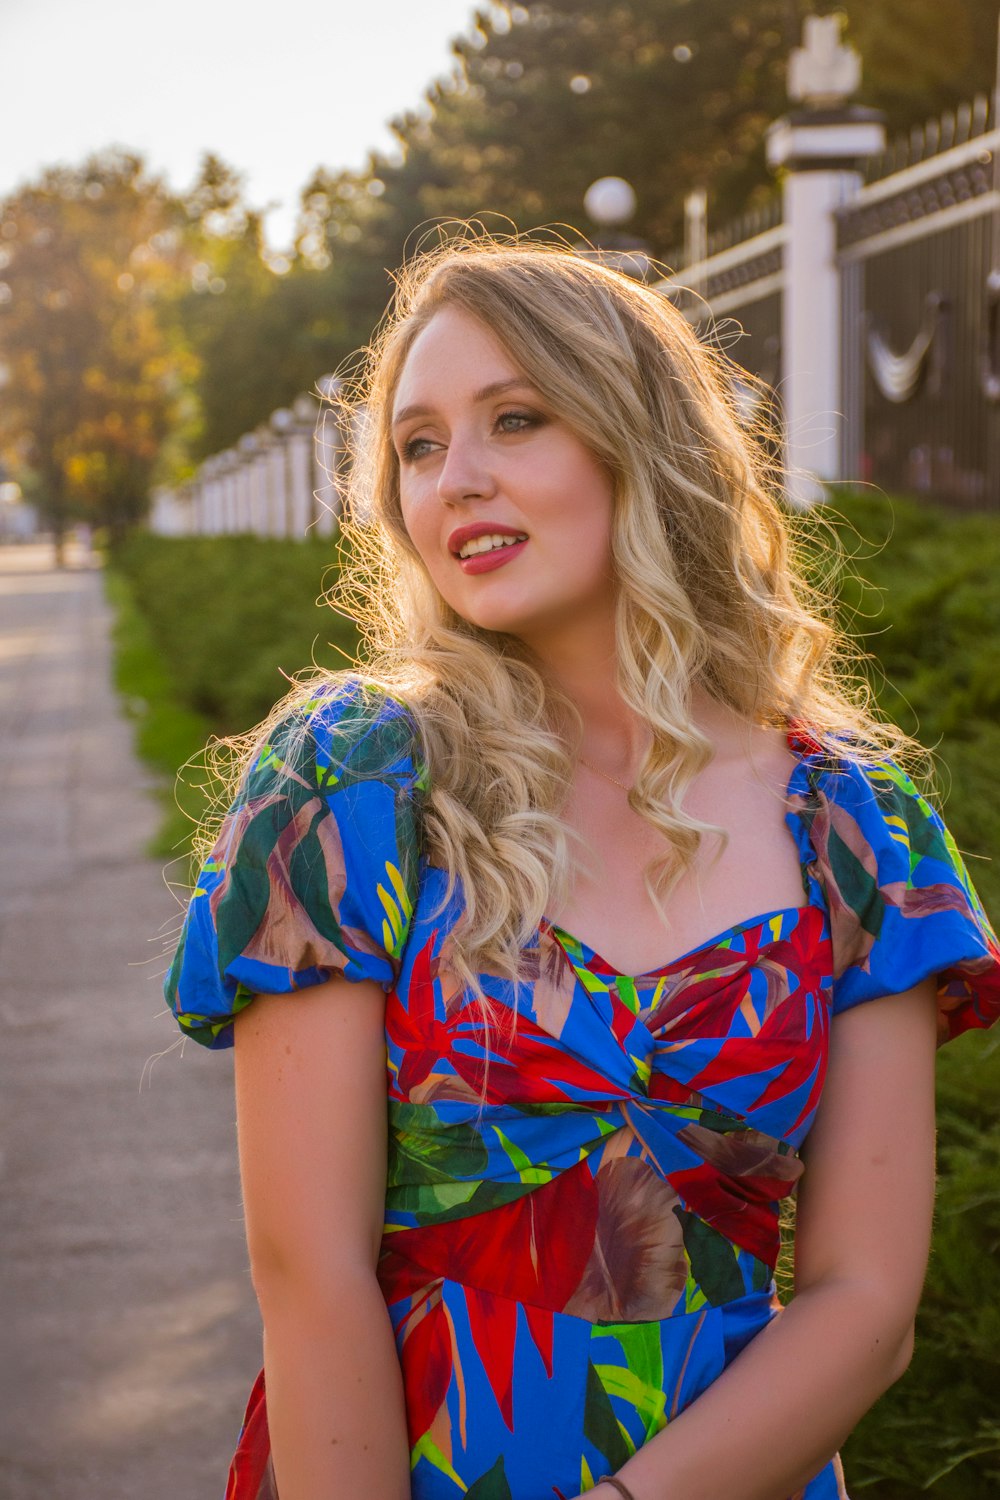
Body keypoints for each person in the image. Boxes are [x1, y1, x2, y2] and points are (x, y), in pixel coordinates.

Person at [164, 233, 1000, 1500]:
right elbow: (306, 1269)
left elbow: (864, 1301)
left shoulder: (857, 830)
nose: (457, 481)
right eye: (420, 444)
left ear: (641, 446)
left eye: (515, 419)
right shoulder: (352, 783)